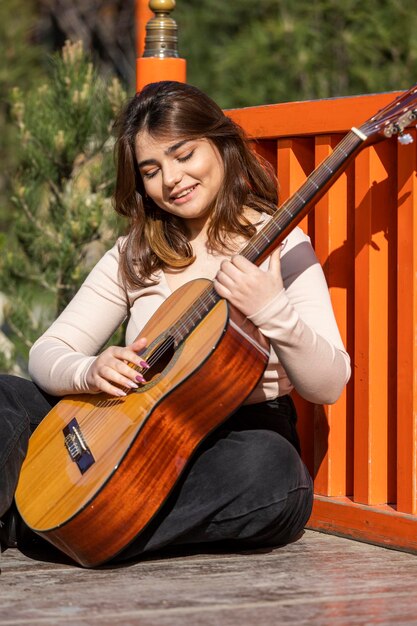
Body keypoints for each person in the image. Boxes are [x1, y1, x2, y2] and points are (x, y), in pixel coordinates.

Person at [0, 81, 350, 560]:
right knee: (8, 395)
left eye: (184, 154)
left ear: (221, 144)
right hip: (120, 418)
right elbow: (47, 351)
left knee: (273, 477)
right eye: (152, 169)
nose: (172, 179)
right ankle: (64, 525)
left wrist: (274, 310)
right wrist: (91, 370)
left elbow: (329, 383)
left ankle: (59, 524)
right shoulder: (135, 253)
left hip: (227, 437)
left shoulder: (281, 242)